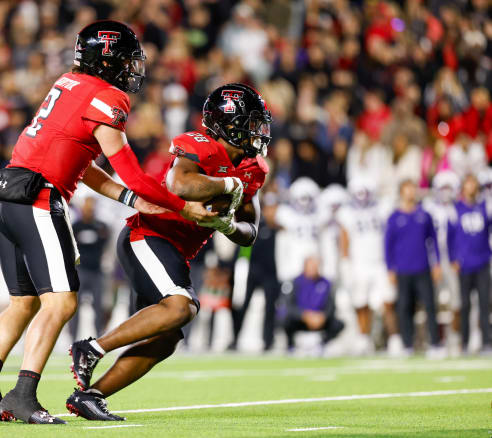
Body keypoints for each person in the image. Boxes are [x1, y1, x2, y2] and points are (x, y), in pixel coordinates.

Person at [0, 20, 215, 425]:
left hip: (4, 195)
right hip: (37, 199)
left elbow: (80, 165)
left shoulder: (68, 83)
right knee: (62, 300)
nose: (132, 70)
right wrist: (181, 206)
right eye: (126, 61)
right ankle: (23, 395)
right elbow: (134, 174)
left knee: (24, 301)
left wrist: (129, 198)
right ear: (109, 61)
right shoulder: (107, 96)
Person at [66, 83, 269, 421]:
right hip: (148, 235)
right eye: (251, 123)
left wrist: (228, 227)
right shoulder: (200, 146)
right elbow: (180, 184)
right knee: (181, 307)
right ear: (228, 124)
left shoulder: (253, 168)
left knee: (168, 336)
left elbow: (250, 232)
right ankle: (92, 348)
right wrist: (226, 185)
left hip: (176, 251)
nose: (259, 132)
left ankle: (90, 395)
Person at [337, 176, 401, 355]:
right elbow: (344, 238)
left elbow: (391, 235)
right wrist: (345, 263)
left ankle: (394, 339)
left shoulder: (382, 208)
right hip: (360, 263)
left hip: (380, 262)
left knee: (388, 302)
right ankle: (363, 338)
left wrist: (393, 263)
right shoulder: (347, 213)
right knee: (361, 302)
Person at [385, 179, 443, 356]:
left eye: (413, 188)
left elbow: (433, 241)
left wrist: (437, 264)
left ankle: (435, 343)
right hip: (403, 270)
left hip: (423, 268)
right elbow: (388, 245)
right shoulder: (394, 217)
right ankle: (407, 344)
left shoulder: (424, 215)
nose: (411, 192)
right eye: (407, 189)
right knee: (404, 306)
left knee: (430, 305)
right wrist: (390, 268)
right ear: (401, 192)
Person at [447, 174, 492, 353]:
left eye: (473, 183)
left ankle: (487, 342)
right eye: (468, 184)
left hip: (482, 262)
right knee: (464, 304)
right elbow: (450, 239)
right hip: (464, 264)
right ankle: (464, 342)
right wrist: (453, 259)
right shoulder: (455, 209)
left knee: (484, 303)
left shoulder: (484, 207)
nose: (471, 187)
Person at [231, 192, 279, 351]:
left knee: (270, 307)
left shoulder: (279, 227)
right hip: (252, 271)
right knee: (241, 305)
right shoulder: (256, 225)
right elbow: (243, 246)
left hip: (271, 273)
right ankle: (235, 338)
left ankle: (268, 341)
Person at [423, 170, 461, 351]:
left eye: (449, 187)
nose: (446, 191)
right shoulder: (429, 208)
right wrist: (433, 262)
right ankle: (435, 338)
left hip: (454, 260)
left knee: (457, 300)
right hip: (433, 261)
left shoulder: (459, 208)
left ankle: (455, 336)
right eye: (442, 187)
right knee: (433, 302)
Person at [282, 255, 344, 352]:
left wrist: (322, 316)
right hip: (301, 319)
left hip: (319, 320)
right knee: (285, 319)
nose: (313, 269)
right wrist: (304, 315)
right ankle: (291, 345)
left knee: (338, 324)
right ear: (305, 267)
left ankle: (322, 344)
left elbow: (331, 306)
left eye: (315, 267)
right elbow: (289, 305)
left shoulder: (326, 283)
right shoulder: (295, 282)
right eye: (311, 266)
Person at [69, 196, 110, 340]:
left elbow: (105, 244)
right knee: (74, 306)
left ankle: (99, 336)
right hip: (80, 270)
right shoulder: (76, 225)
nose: (89, 209)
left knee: (99, 306)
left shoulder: (101, 226)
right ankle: (72, 337)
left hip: (97, 270)